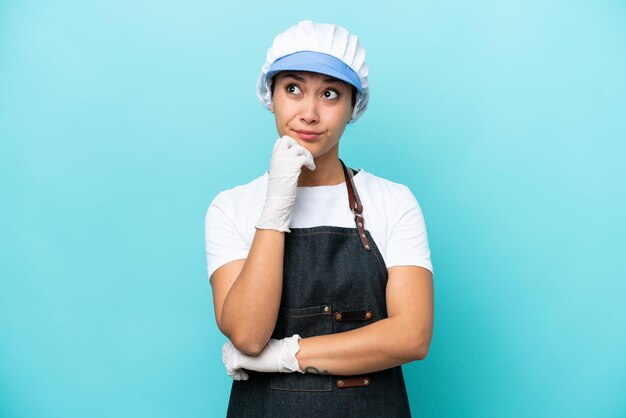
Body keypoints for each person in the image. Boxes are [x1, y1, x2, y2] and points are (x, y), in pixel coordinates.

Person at [205, 20, 434, 417]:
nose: (309, 113)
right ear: (270, 96)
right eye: (293, 89)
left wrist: (285, 355)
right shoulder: (232, 206)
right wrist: (276, 205)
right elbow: (247, 333)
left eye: (329, 94)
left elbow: (411, 335)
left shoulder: (393, 201)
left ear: (353, 107)